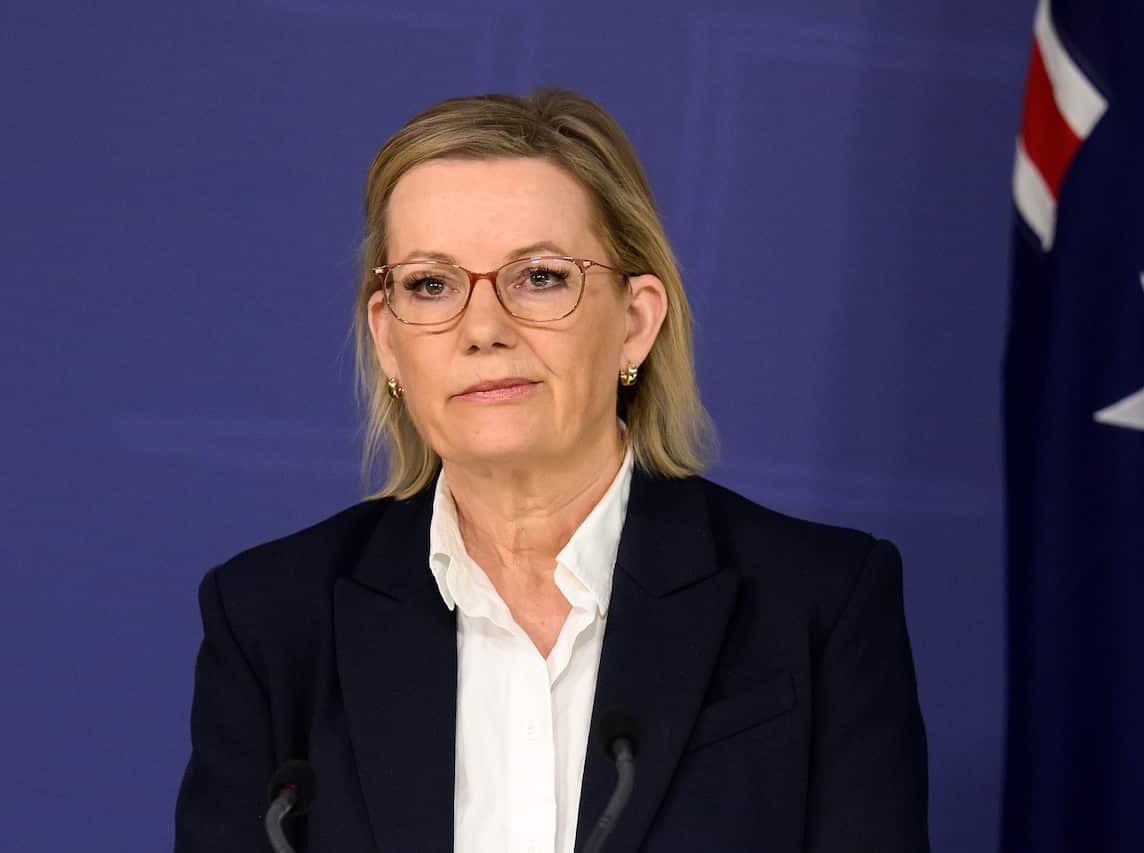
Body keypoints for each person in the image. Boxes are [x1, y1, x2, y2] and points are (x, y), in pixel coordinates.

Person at [174, 88, 929, 852]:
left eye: (538, 276)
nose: (484, 329)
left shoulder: (819, 604)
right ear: (390, 338)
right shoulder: (271, 622)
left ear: (635, 322)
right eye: (430, 285)